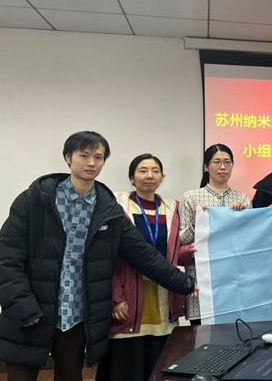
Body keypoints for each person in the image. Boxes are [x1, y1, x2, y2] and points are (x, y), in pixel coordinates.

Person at [0, 132, 198, 381]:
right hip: (34, 310)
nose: (91, 162)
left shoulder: (108, 209)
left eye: (98, 157)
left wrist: (185, 283)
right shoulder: (34, 201)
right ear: (68, 158)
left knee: (70, 377)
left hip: (78, 316)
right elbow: (7, 260)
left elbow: (143, 254)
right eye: (84, 155)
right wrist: (21, 306)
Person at [96, 154, 188, 381]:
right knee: (127, 364)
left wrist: (192, 251)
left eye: (155, 171)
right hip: (129, 295)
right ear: (132, 177)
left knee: (159, 361)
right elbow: (107, 256)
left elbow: (175, 252)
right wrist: (116, 297)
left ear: (162, 177)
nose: (150, 176)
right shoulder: (117, 207)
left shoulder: (173, 208)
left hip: (163, 295)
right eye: (143, 171)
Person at [179, 144, 252, 324]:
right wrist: (196, 221)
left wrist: (243, 217)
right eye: (217, 162)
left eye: (227, 162)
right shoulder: (191, 197)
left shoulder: (243, 199)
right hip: (201, 277)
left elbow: (250, 240)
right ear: (206, 167)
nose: (222, 167)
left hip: (233, 278)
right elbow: (181, 239)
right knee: (200, 334)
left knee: (235, 331)